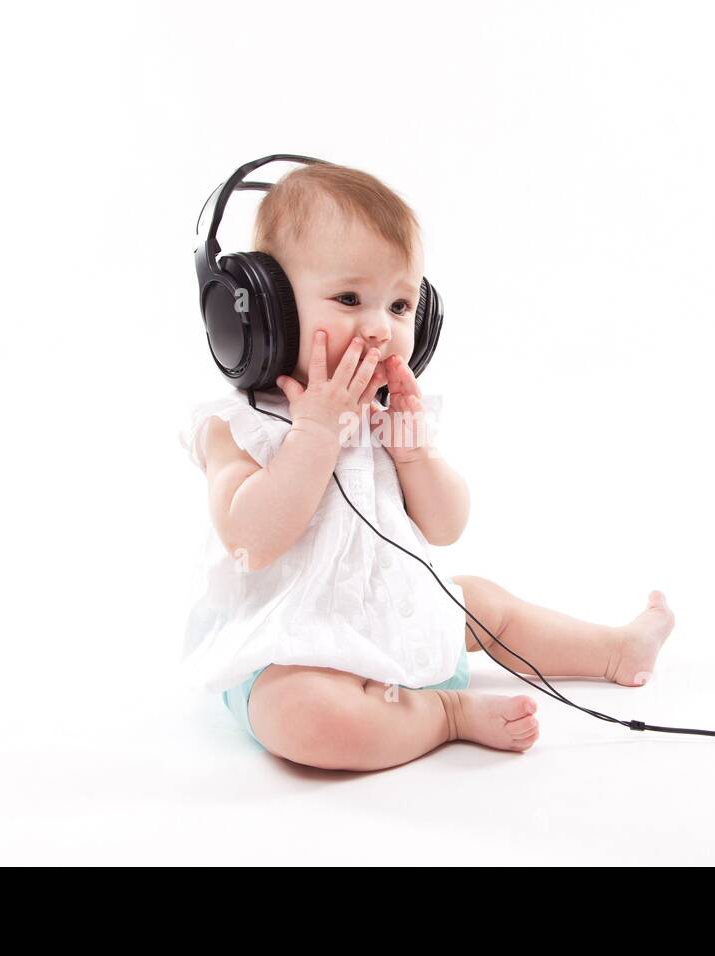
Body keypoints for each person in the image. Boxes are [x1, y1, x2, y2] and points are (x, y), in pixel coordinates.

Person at [179, 162, 674, 771]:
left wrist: (415, 454)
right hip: (290, 649)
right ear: (259, 312)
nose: (379, 327)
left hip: (391, 617)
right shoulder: (240, 426)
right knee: (309, 717)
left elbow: (445, 526)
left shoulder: (388, 410)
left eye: (400, 304)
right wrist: (313, 434)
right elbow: (249, 542)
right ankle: (445, 715)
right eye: (349, 298)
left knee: (485, 605)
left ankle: (613, 650)